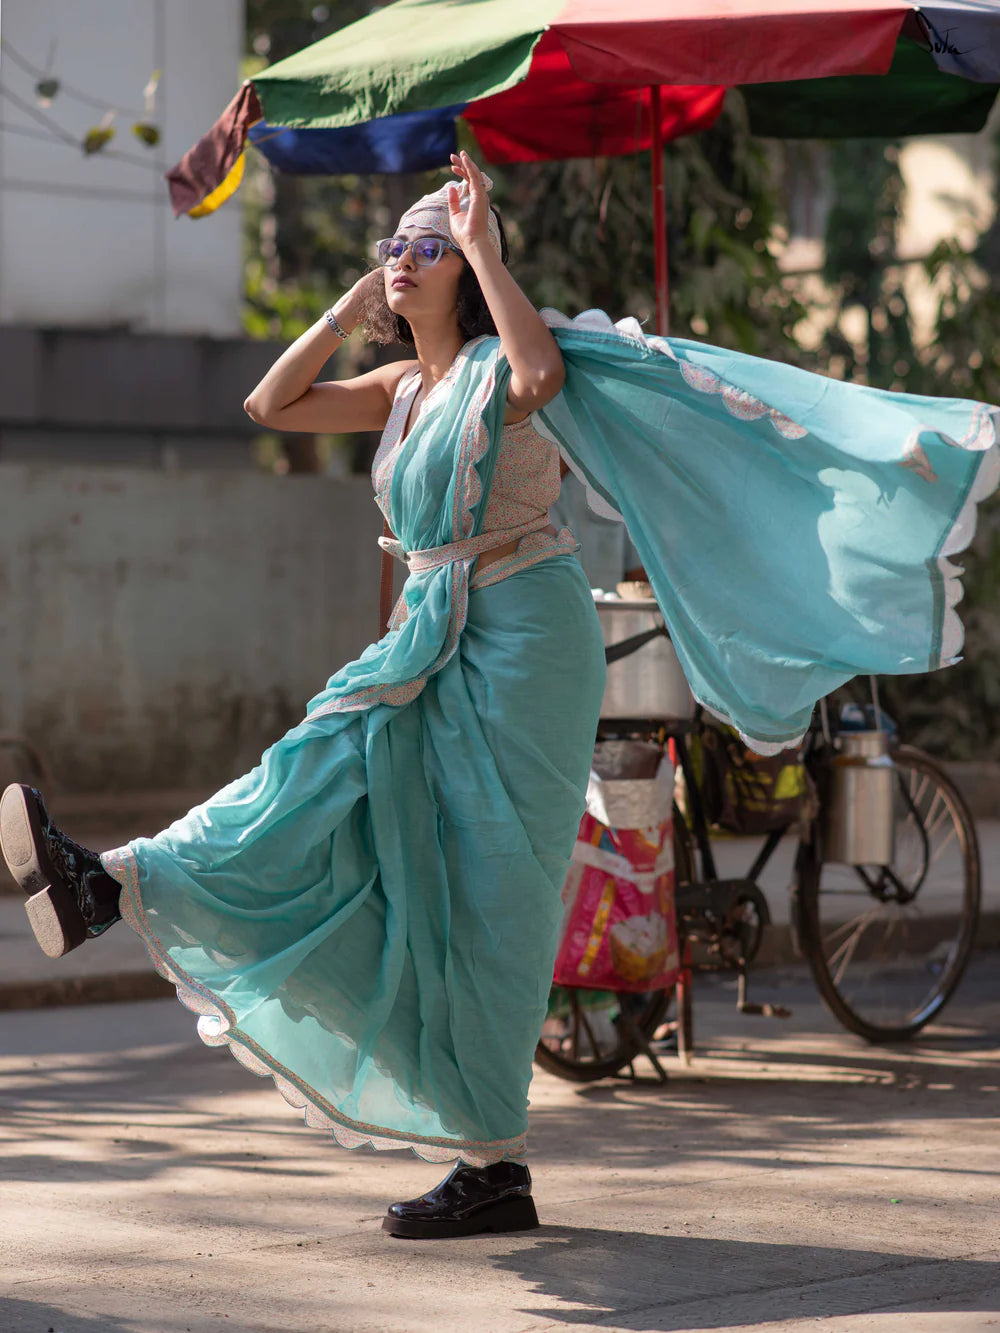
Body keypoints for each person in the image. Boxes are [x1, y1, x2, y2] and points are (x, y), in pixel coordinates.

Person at [3, 150, 998, 1240]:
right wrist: (351, 300)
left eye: (421, 247)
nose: (402, 259)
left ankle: (493, 1161)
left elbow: (539, 379)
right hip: (430, 631)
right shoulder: (399, 386)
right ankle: (112, 883)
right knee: (317, 775)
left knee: (489, 895)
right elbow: (266, 400)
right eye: (395, 244)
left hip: (526, 633)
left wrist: (479, 240)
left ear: (466, 268)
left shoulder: (496, 365)